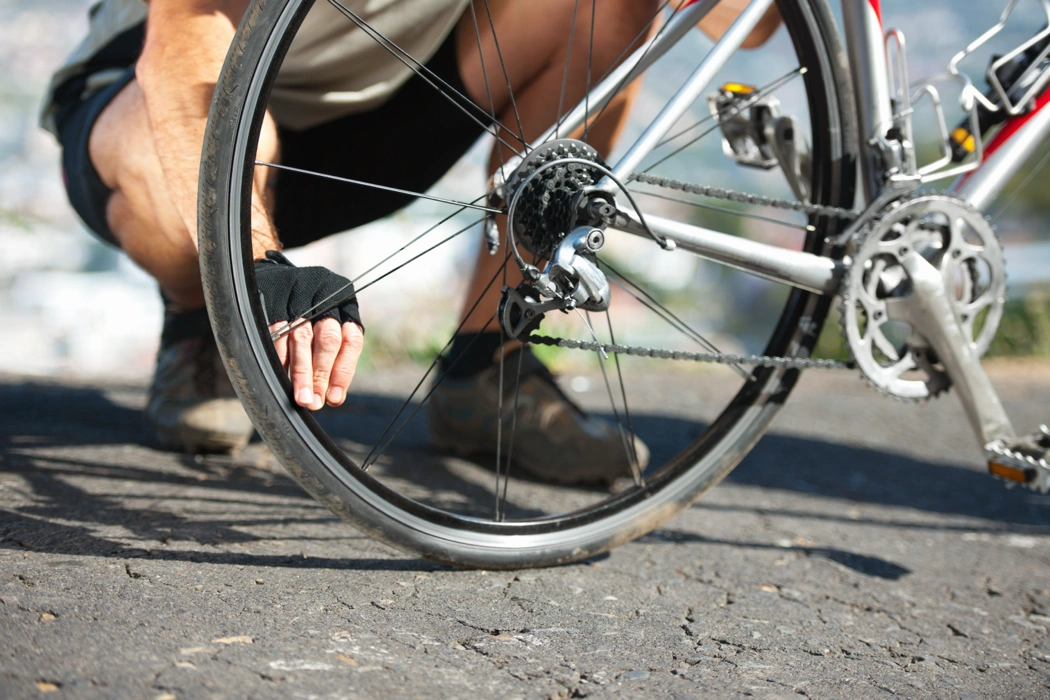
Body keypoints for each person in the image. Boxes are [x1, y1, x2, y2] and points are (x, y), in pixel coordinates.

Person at [41, 0, 780, 485]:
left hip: (379, 121)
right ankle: (204, 318)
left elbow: (743, 26)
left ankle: (489, 363)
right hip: (164, 104)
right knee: (176, 192)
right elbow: (184, 41)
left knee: (608, 5)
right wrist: (251, 266)